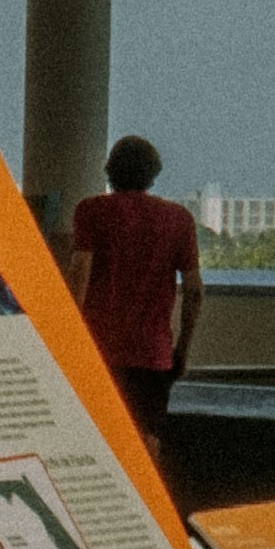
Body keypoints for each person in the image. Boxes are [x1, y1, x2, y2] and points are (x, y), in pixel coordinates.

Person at [64, 133, 203, 436]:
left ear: (110, 171)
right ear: (153, 175)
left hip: (98, 349)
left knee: (95, 436)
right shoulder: (179, 219)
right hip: (153, 353)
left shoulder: (91, 211)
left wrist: (67, 340)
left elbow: (79, 276)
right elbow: (194, 291)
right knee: (147, 437)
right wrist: (181, 349)